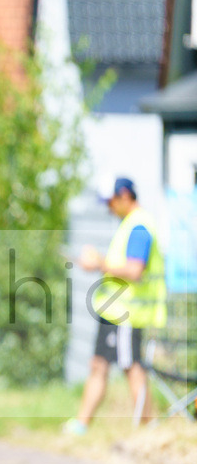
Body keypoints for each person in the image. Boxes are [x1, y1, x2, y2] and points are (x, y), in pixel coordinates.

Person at [65, 177, 167, 435]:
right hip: (114, 311)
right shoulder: (129, 225)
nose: (108, 207)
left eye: (110, 201)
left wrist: (99, 263)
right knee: (99, 365)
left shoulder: (139, 226)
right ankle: (82, 424)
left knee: (132, 368)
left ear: (123, 196)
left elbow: (134, 270)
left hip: (127, 313)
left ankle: (149, 430)